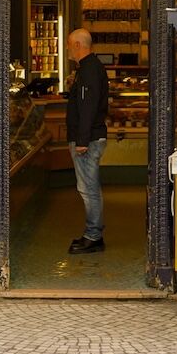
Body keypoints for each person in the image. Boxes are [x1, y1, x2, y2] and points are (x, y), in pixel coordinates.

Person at [64, 27, 108, 254]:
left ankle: (93, 236)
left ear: (79, 45)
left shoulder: (89, 70)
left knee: (88, 188)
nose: (68, 49)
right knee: (89, 187)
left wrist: (82, 139)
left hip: (87, 140)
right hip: (89, 137)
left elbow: (88, 106)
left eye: (70, 44)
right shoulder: (89, 68)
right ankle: (92, 233)